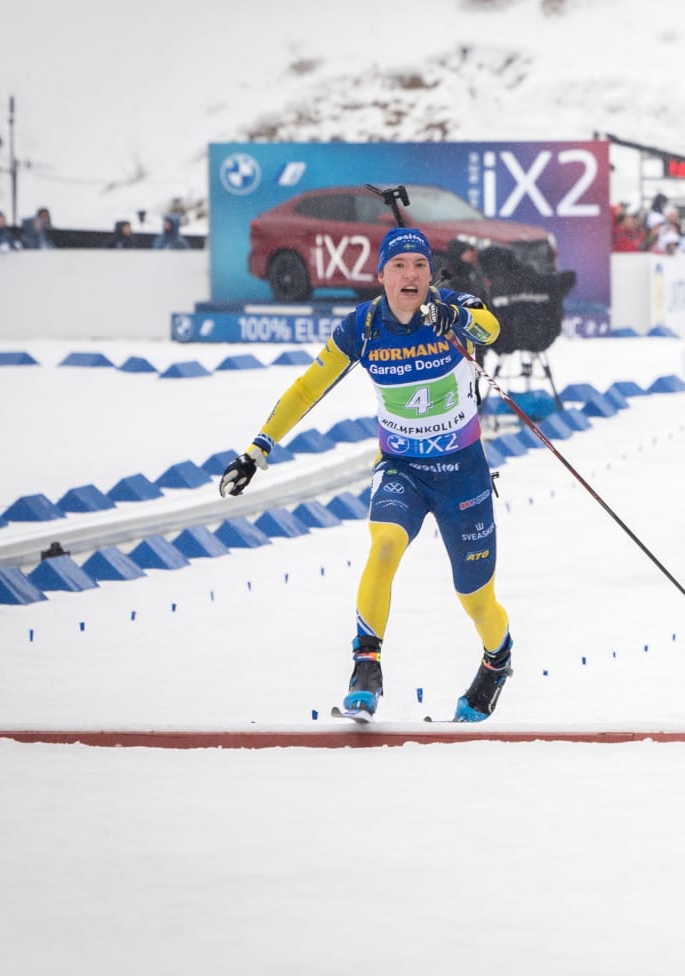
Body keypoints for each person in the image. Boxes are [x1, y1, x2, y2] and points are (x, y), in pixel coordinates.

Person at [217, 227, 517, 723]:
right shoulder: (364, 327)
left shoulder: (450, 310)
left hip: (462, 473)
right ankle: (366, 665)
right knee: (384, 545)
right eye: (399, 266)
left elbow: (492, 329)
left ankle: (498, 660)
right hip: (402, 468)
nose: (411, 274)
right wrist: (258, 448)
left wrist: (457, 315)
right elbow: (306, 388)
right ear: (380, 276)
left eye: (420, 265)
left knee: (476, 599)